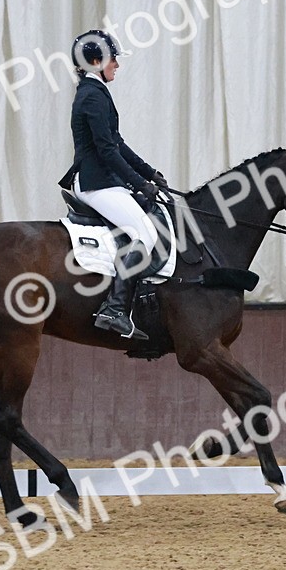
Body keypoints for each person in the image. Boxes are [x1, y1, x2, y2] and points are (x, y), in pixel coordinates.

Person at [59, 30, 167, 341]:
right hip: (96, 183)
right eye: (113, 59)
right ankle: (115, 309)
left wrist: (149, 173)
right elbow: (106, 150)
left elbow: (117, 142)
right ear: (96, 62)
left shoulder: (95, 92)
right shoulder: (92, 95)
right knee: (145, 234)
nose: (117, 65)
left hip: (103, 180)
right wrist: (140, 183)